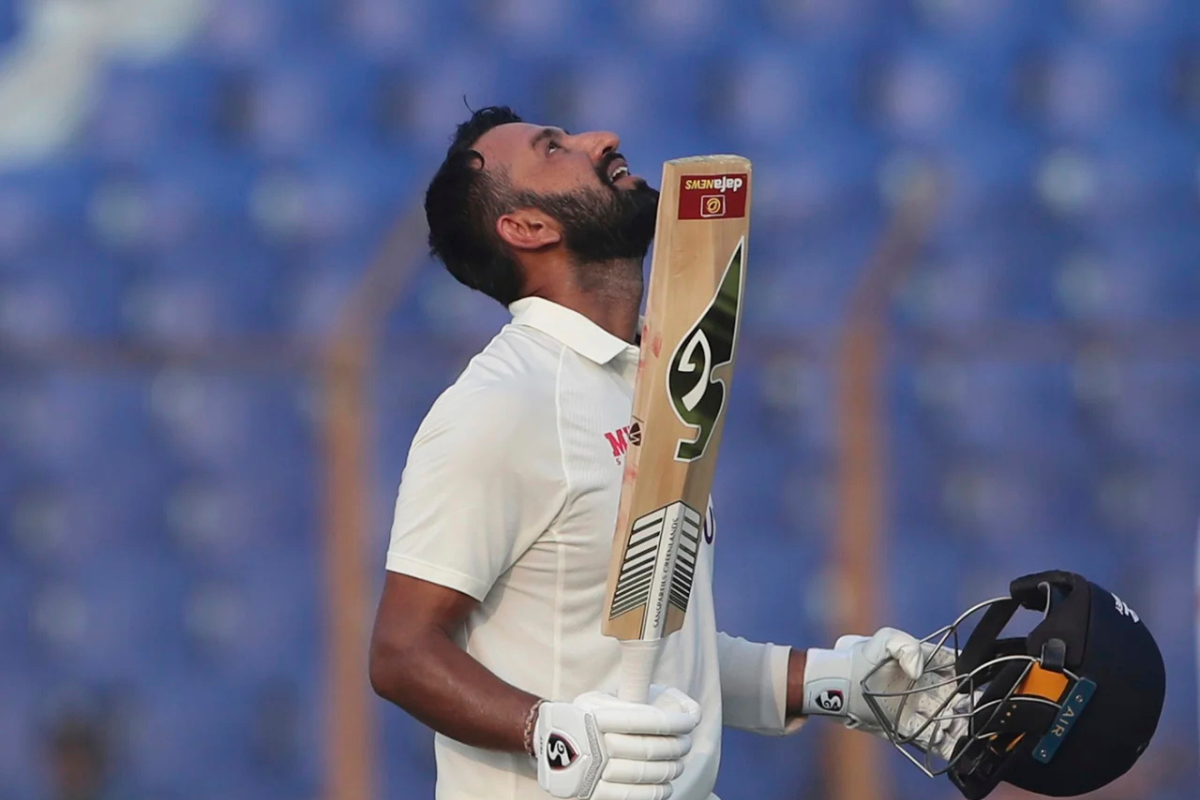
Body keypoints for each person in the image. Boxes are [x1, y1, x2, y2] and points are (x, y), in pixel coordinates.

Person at [369, 106, 960, 800]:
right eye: (554, 148)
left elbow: (664, 664)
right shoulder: (503, 402)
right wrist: (554, 735)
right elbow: (401, 652)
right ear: (527, 227)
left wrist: (843, 683)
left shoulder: (650, 378)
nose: (601, 139)